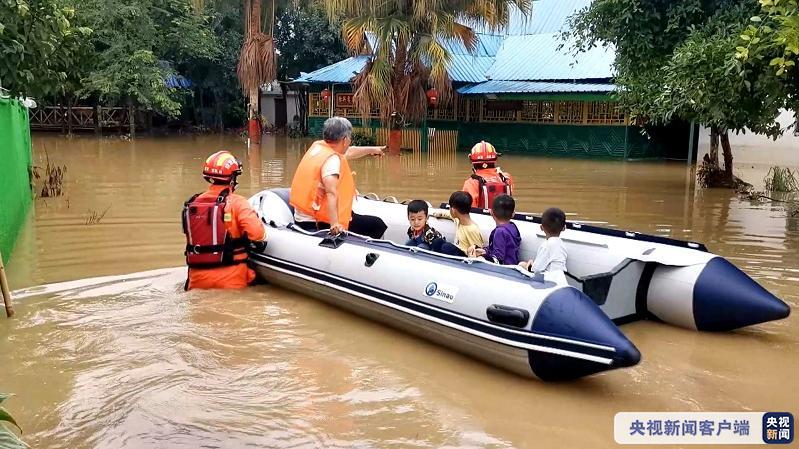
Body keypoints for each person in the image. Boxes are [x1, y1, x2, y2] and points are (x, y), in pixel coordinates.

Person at [290, 117, 388, 238]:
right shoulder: (331, 160)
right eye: (350, 137)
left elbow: (349, 152)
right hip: (317, 221)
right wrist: (335, 224)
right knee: (377, 225)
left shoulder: (320, 147)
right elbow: (331, 193)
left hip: (306, 214)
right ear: (345, 139)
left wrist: (372, 150)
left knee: (359, 218)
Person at [183, 151, 268, 290]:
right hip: (231, 280)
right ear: (232, 178)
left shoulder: (192, 204)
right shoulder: (238, 203)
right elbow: (258, 235)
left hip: (196, 281)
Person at [467, 194, 521, 265]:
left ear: (491, 212)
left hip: (505, 269)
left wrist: (481, 257)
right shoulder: (513, 227)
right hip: (512, 264)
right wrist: (484, 251)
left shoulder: (500, 232)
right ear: (513, 214)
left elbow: (498, 259)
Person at [431, 191, 485, 257]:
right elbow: (449, 215)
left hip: (463, 257)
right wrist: (440, 214)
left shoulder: (472, 230)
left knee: (447, 247)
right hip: (456, 250)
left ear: (453, 210)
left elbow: (478, 251)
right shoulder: (458, 219)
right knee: (437, 242)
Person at [462, 141, 514, 209]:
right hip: (504, 217)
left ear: (471, 160)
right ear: (496, 158)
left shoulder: (471, 183)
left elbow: (468, 210)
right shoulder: (506, 178)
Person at [519, 207, 568, 274]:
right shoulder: (562, 245)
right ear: (564, 228)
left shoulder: (546, 245)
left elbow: (536, 270)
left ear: (541, 228)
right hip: (560, 278)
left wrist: (529, 265)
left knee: (521, 264)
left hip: (548, 281)